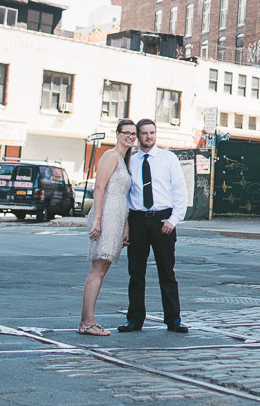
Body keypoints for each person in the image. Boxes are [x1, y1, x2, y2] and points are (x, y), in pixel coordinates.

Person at [117, 119, 189, 333]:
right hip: (138, 219)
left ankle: (173, 319)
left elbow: (180, 191)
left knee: (167, 272)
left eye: (152, 132)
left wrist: (173, 219)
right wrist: (126, 225)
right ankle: (135, 319)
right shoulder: (130, 160)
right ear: (138, 136)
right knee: (136, 272)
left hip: (162, 220)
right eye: (144, 133)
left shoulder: (168, 158)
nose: (149, 136)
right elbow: (127, 194)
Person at [78, 119, 138, 336]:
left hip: (117, 216)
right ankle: (87, 322)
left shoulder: (124, 160)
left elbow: (126, 198)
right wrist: (98, 220)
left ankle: (86, 321)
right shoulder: (111, 156)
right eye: (126, 133)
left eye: (133, 134)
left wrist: (126, 226)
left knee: (100, 271)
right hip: (106, 215)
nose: (130, 137)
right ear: (117, 134)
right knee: (97, 271)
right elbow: (99, 187)